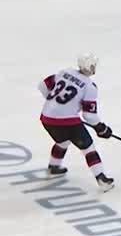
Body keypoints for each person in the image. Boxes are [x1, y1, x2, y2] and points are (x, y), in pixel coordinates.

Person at [39, 54, 114, 192]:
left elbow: (43, 85)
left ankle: (54, 167)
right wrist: (101, 128)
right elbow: (89, 116)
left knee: (62, 141)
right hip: (68, 123)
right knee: (88, 149)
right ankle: (101, 178)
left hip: (46, 118)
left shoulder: (65, 72)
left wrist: (55, 105)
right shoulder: (90, 86)